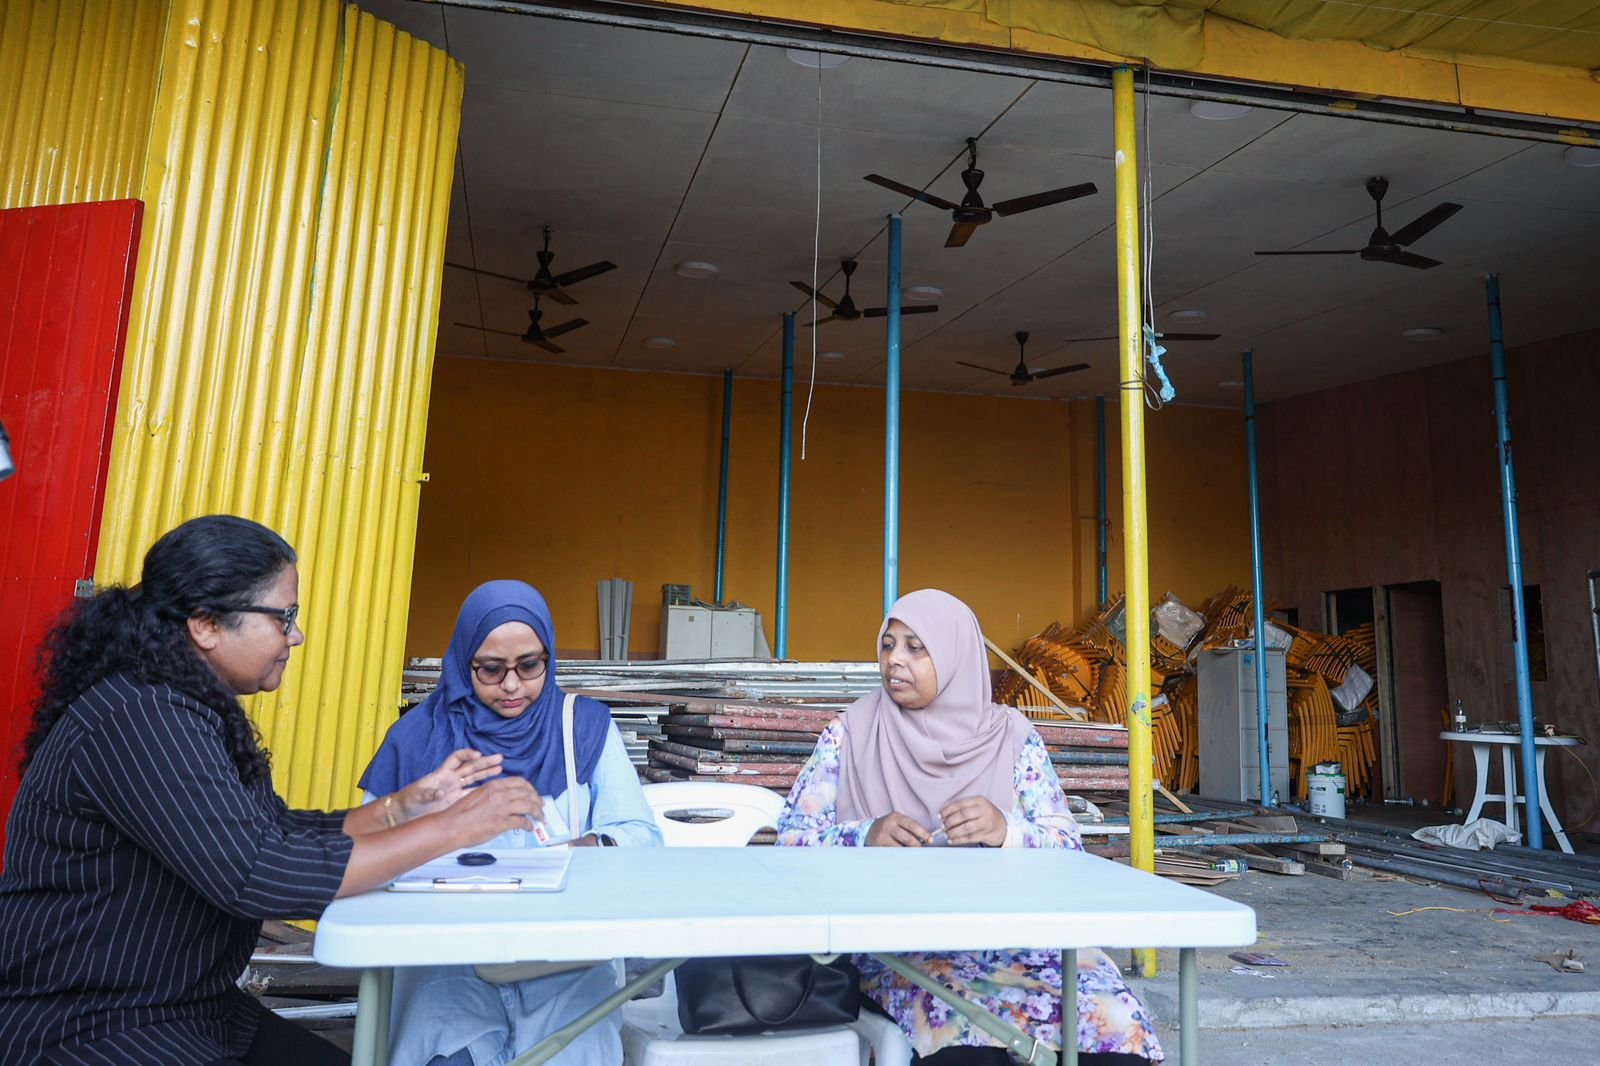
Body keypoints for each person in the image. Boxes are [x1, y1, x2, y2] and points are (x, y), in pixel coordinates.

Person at [0, 515, 541, 1066]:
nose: (295, 636)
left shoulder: (185, 705)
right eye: (285, 617)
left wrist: (401, 809)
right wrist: (456, 827)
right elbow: (257, 874)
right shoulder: (141, 716)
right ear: (206, 624)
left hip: (193, 1010)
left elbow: (272, 829)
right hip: (93, 1028)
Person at [775, 588, 1164, 1066]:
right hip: (898, 944)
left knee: (1116, 1027)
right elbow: (788, 842)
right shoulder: (851, 733)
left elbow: (1068, 848)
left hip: (1017, 939)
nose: (895, 659)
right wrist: (864, 835)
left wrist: (1005, 830)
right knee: (960, 1038)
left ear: (955, 656)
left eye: (916, 648)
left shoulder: (1011, 736)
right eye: (888, 644)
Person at [359, 580, 661, 1066]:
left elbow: (643, 837)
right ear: (463, 661)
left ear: (549, 658)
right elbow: (365, 854)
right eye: (491, 669)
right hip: (447, 956)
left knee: (574, 1049)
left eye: (529, 665)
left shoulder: (583, 728)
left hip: (564, 957)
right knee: (447, 1052)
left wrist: (584, 849)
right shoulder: (416, 738)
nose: (512, 686)